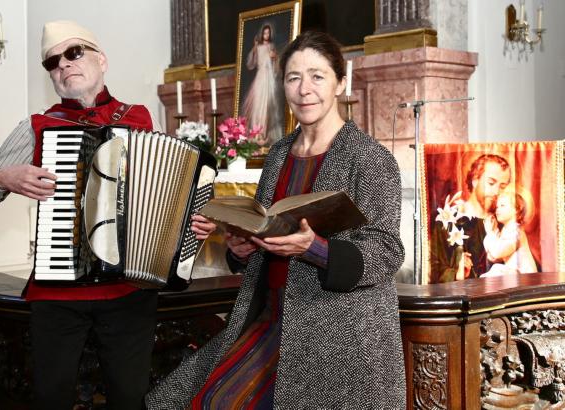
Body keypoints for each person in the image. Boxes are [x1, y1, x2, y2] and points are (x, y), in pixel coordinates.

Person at [148, 31, 406, 409]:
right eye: (293, 77)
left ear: (341, 84)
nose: (305, 89)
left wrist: (314, 248)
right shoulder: (278, 153)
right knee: (188, 399)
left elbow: (386, 251)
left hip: (337, 332)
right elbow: (263, 227)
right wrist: (241, 248)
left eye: (318, 76)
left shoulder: (369, 158)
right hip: (270, 317)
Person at [0, 20, 215, 410]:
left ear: (102, 60)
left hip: (129, 293)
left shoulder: (139, 119)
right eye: (53, 61)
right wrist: (2, 177)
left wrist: (191, 224)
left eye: (74, 52)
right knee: (52, 399)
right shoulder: (38, 127)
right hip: (58, 294)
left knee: (130, 400)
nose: (63, 64)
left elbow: (170, 195)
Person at [430, 153, 511, 282]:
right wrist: (457, 272)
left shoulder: (504, 222)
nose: (496, 192)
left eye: (502, 187)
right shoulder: (449, 219)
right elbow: (432, 269)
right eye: (491, 183)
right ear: (475, 180)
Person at [481, 186, 538, 276]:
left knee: (497, 270)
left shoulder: (516, 232)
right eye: (497, 207)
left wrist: (490, 232)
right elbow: (493, 257)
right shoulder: (506, 230)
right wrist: (494, 231)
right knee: (496, 269)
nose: (497, 209)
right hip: (515, 275)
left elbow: (497, 252)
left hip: (526, 276)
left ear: (516, 209)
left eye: (502, 206)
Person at [242, 23, 282, 146]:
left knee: (268, 105)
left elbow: (277, 67)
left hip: (269, 78)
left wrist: (275, 58)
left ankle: (264, 133)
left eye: (268, 33)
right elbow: (251, 64)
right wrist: (254, 49)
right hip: (260, 77)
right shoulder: (258, 47)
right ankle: (256, 133)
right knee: (257, 104)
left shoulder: (272, 47)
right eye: (264, 33)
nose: (266, 35)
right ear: (261, 34)